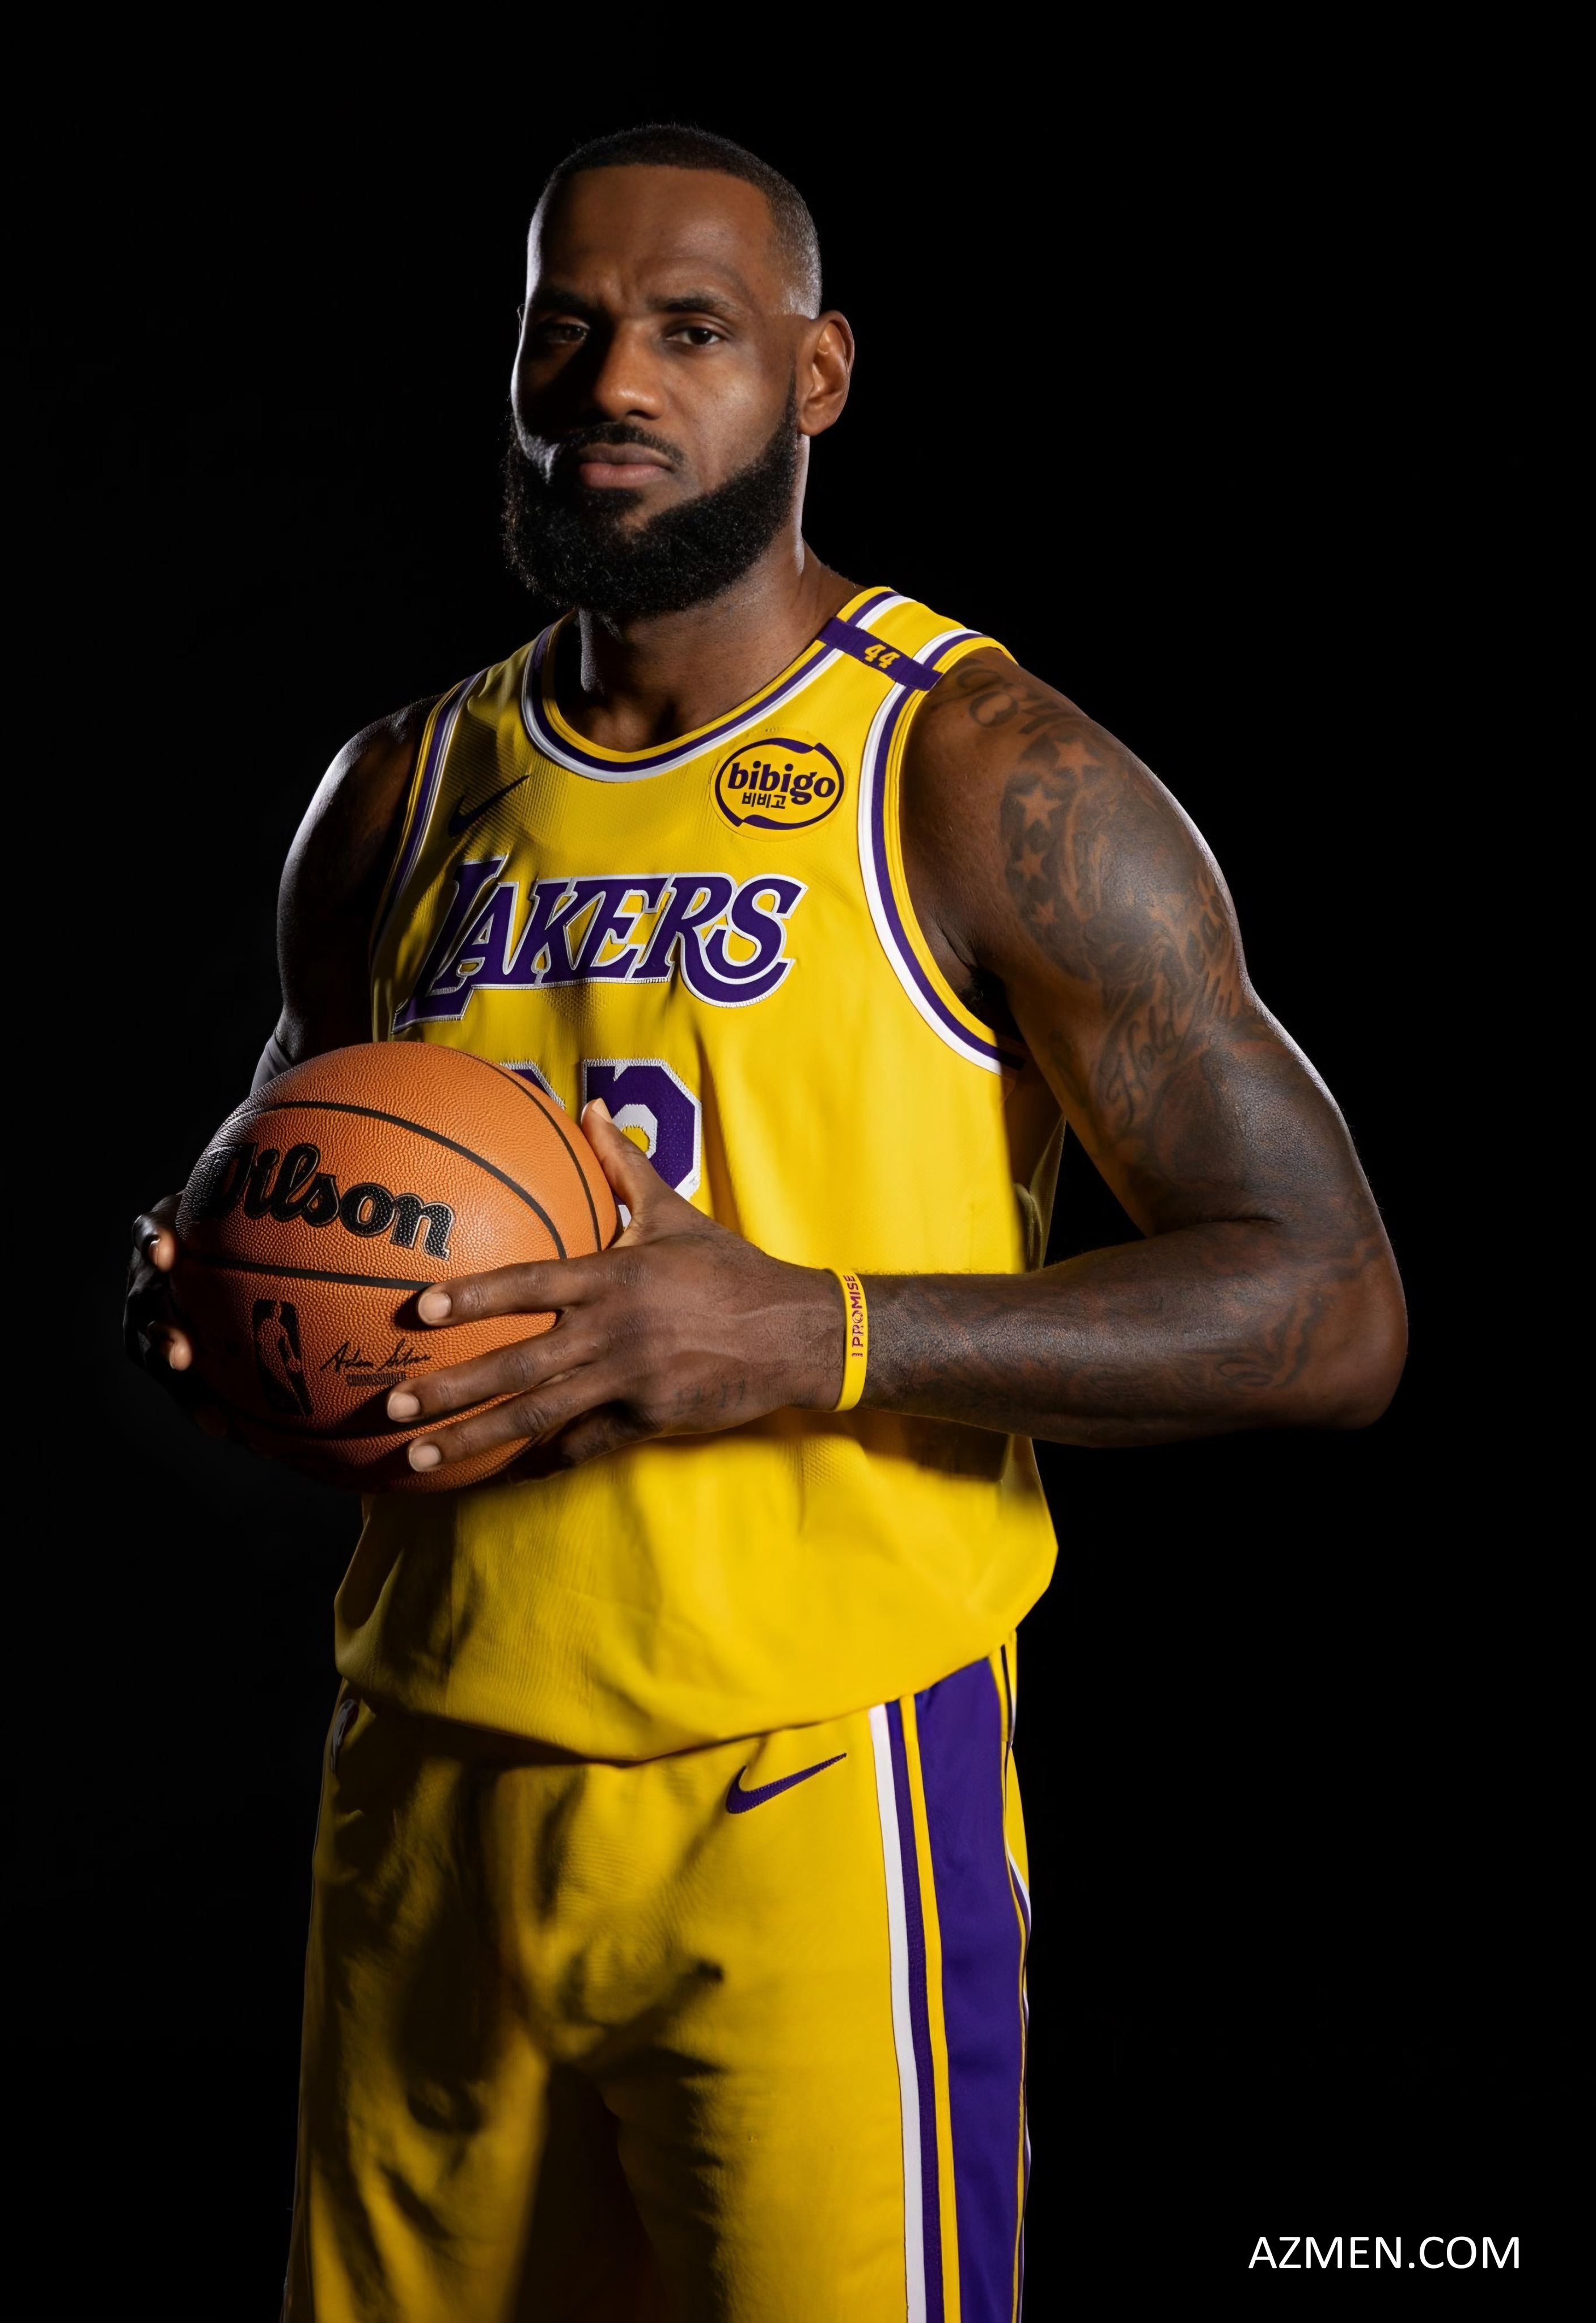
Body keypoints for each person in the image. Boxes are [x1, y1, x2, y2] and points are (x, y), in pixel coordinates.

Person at [125, 124, 1406, 2323]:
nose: (612, 381)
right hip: (426, 1783)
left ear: (815, 376)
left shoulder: (977, 770)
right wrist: (213, 1291)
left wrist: (814, 1328)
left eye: (690, 331)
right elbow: (288, 1167)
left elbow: (1328, 1305)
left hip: (810, 1787)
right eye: (563, 328)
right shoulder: (402, 790)